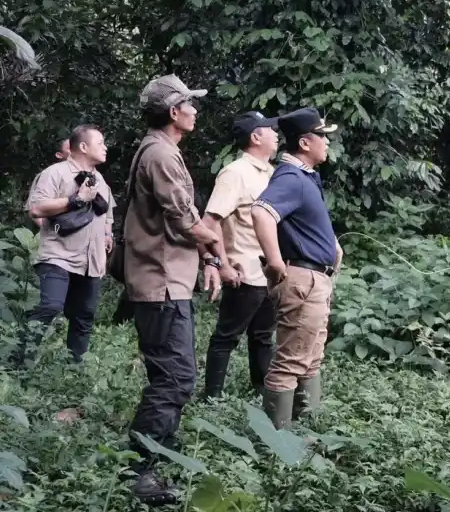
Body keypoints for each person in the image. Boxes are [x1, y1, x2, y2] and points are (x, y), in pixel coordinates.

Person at [123, 74, 223, 505]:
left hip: (167, 280)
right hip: (160, 283)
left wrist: (209, 259)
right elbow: (184, 219)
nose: (196, 111)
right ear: (173, 111)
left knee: (171, 375)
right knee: (176, 378)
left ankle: (159, 450)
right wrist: (217, 248)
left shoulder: (162, 152)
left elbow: (179, 222)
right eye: (190, 105)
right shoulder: (161, 155)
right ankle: (139, 470)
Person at [250, 107, 343, 429]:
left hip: (316, 280)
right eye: (323, 137)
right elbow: (261, 213)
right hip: (303, 280)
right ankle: (279, 446)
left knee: (310, 360)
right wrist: (275, 261)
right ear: (305, 143)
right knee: (290, 364)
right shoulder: (291, 177)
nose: (327, 143)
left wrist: (333, 247)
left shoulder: (304, 177)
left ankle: (306, 433)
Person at [201, 111, 280, 399]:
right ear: (256, 137)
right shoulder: (235, 173)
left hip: (269, 272)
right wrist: (220, 263)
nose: (276, 134)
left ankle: (262, 391)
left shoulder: (273, 173)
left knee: (262, 337)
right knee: (226, 336)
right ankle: (212, 397)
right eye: (270, 129)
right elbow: (211, 222)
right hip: (243, 269)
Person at [19, 126, 113, 365]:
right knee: (50, 306)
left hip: (91, 260)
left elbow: (107, 213)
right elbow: (37, 208)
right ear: (83, 147)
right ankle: (18, 360)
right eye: (100, 143)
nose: (105, 147)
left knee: (84, 316)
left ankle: (74, 369)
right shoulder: (54, 173)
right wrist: (75, 200)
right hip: (58, 255)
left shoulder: (100, 179)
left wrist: (107, 233)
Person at [26, 138, 71, 230]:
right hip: (61, 236)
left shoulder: (91, 174)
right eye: (70, 147)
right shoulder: (50, 174)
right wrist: (53, 232)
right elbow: (33, 208)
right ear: (59, 155)